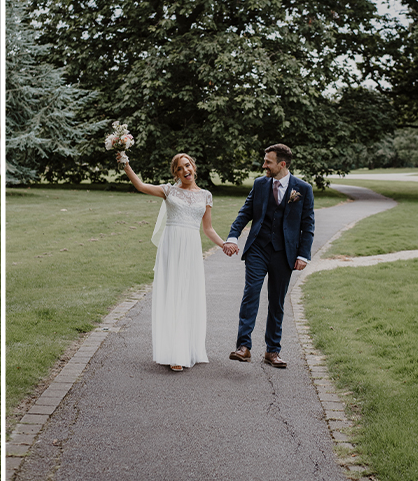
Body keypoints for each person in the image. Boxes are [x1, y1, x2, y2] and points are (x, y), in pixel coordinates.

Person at [119, 152, 226, 371]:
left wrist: (224, 245)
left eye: (187, 166)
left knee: (188, 295)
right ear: (175, 172)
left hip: (191, 249)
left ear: (193, 167)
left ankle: (187, 349)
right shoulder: (169, 191)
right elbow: (140, 185)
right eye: (179, 168)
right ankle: (175, 353)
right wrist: (126, 164)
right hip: (171, 247)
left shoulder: (206, 195)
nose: (185, 170)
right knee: (173, 294)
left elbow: (208, 228)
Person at [222, 144, 315, 369]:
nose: (264, 165)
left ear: (282, 164)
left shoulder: (303, 189)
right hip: (258, 248)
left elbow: (308, 224)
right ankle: (243, 347)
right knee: (251, 294)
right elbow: (245, 211)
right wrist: (232, 236)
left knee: (277, 302)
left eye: (268, 162)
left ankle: (272, 351)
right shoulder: (260, 184)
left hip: (285, 253)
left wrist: (303, 254)